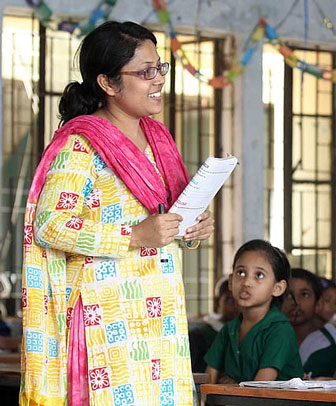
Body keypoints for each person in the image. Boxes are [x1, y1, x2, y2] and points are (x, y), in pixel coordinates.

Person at [20, 21, 215, 405]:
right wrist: (134, 235)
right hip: (106, 319)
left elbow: (164, 221)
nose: (158, 79)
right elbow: (50, 224)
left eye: (160, 67)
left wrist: (192, 228)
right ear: (108, 84)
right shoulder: (81, 145)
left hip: (160, 316)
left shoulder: (159, 139)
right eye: (145, 72)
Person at [204, 240, 303, 383]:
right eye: (241, 272)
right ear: (231, 281)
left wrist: (234, 388)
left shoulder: (280, 331)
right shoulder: (229, 330)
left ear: (278, 288)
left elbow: (259, 389)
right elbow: (209, 378)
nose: (247, 282)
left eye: (259, 275)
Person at [282, 268, 336, 378]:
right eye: (288, 294)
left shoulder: (331, 342)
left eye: (304, 295)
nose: (296, 302)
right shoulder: (270, 336)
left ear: (318, 304)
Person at [188, 277, 238, 373]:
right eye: (230, 300)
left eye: (238, 300)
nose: (236, 306)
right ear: (217, 301)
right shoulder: (201, 335)